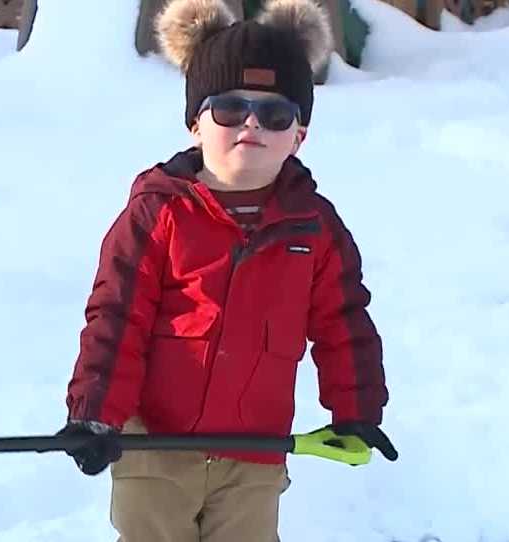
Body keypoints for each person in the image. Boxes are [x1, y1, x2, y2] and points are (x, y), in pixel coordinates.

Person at [60, 0, 397, 539]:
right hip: (155, 447)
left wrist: (356, 409)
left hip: (254, 454)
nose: (251, 124)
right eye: (230, 108)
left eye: (275, 114)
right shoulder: (159, 212)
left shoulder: (313, 227)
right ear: (196, 123)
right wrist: (96, 412)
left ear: (300, 135)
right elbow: (117, 316)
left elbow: (344, 322)